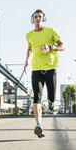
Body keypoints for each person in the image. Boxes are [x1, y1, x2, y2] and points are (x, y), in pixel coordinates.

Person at [24, 9, 65, 138]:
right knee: (36, 97)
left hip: (51, 68)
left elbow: (63, 46)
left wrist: (51, 47)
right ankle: (39, 125)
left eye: (40, 17)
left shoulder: (51, 31)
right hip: (36, 69)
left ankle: (51, 102)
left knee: (51, 95)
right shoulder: (29, 35)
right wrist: (26, 61)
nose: (37, 19)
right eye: (35, 17)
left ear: (43, 19)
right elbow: (30, 49)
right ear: (32, 19)